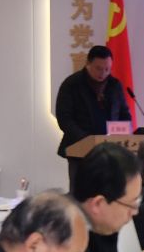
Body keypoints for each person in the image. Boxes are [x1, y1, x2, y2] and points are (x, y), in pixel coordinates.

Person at [54, 45, 133, 186]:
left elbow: (124, 114)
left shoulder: (115, 85)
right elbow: (64, 119)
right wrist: (88, 140)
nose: (103, 73)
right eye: (98, 68)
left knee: (109, 191)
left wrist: (122, 134)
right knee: (81, 192)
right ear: (88, 64)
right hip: (80, 150)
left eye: (107, 69)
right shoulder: (72, 84)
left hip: (110, 151)